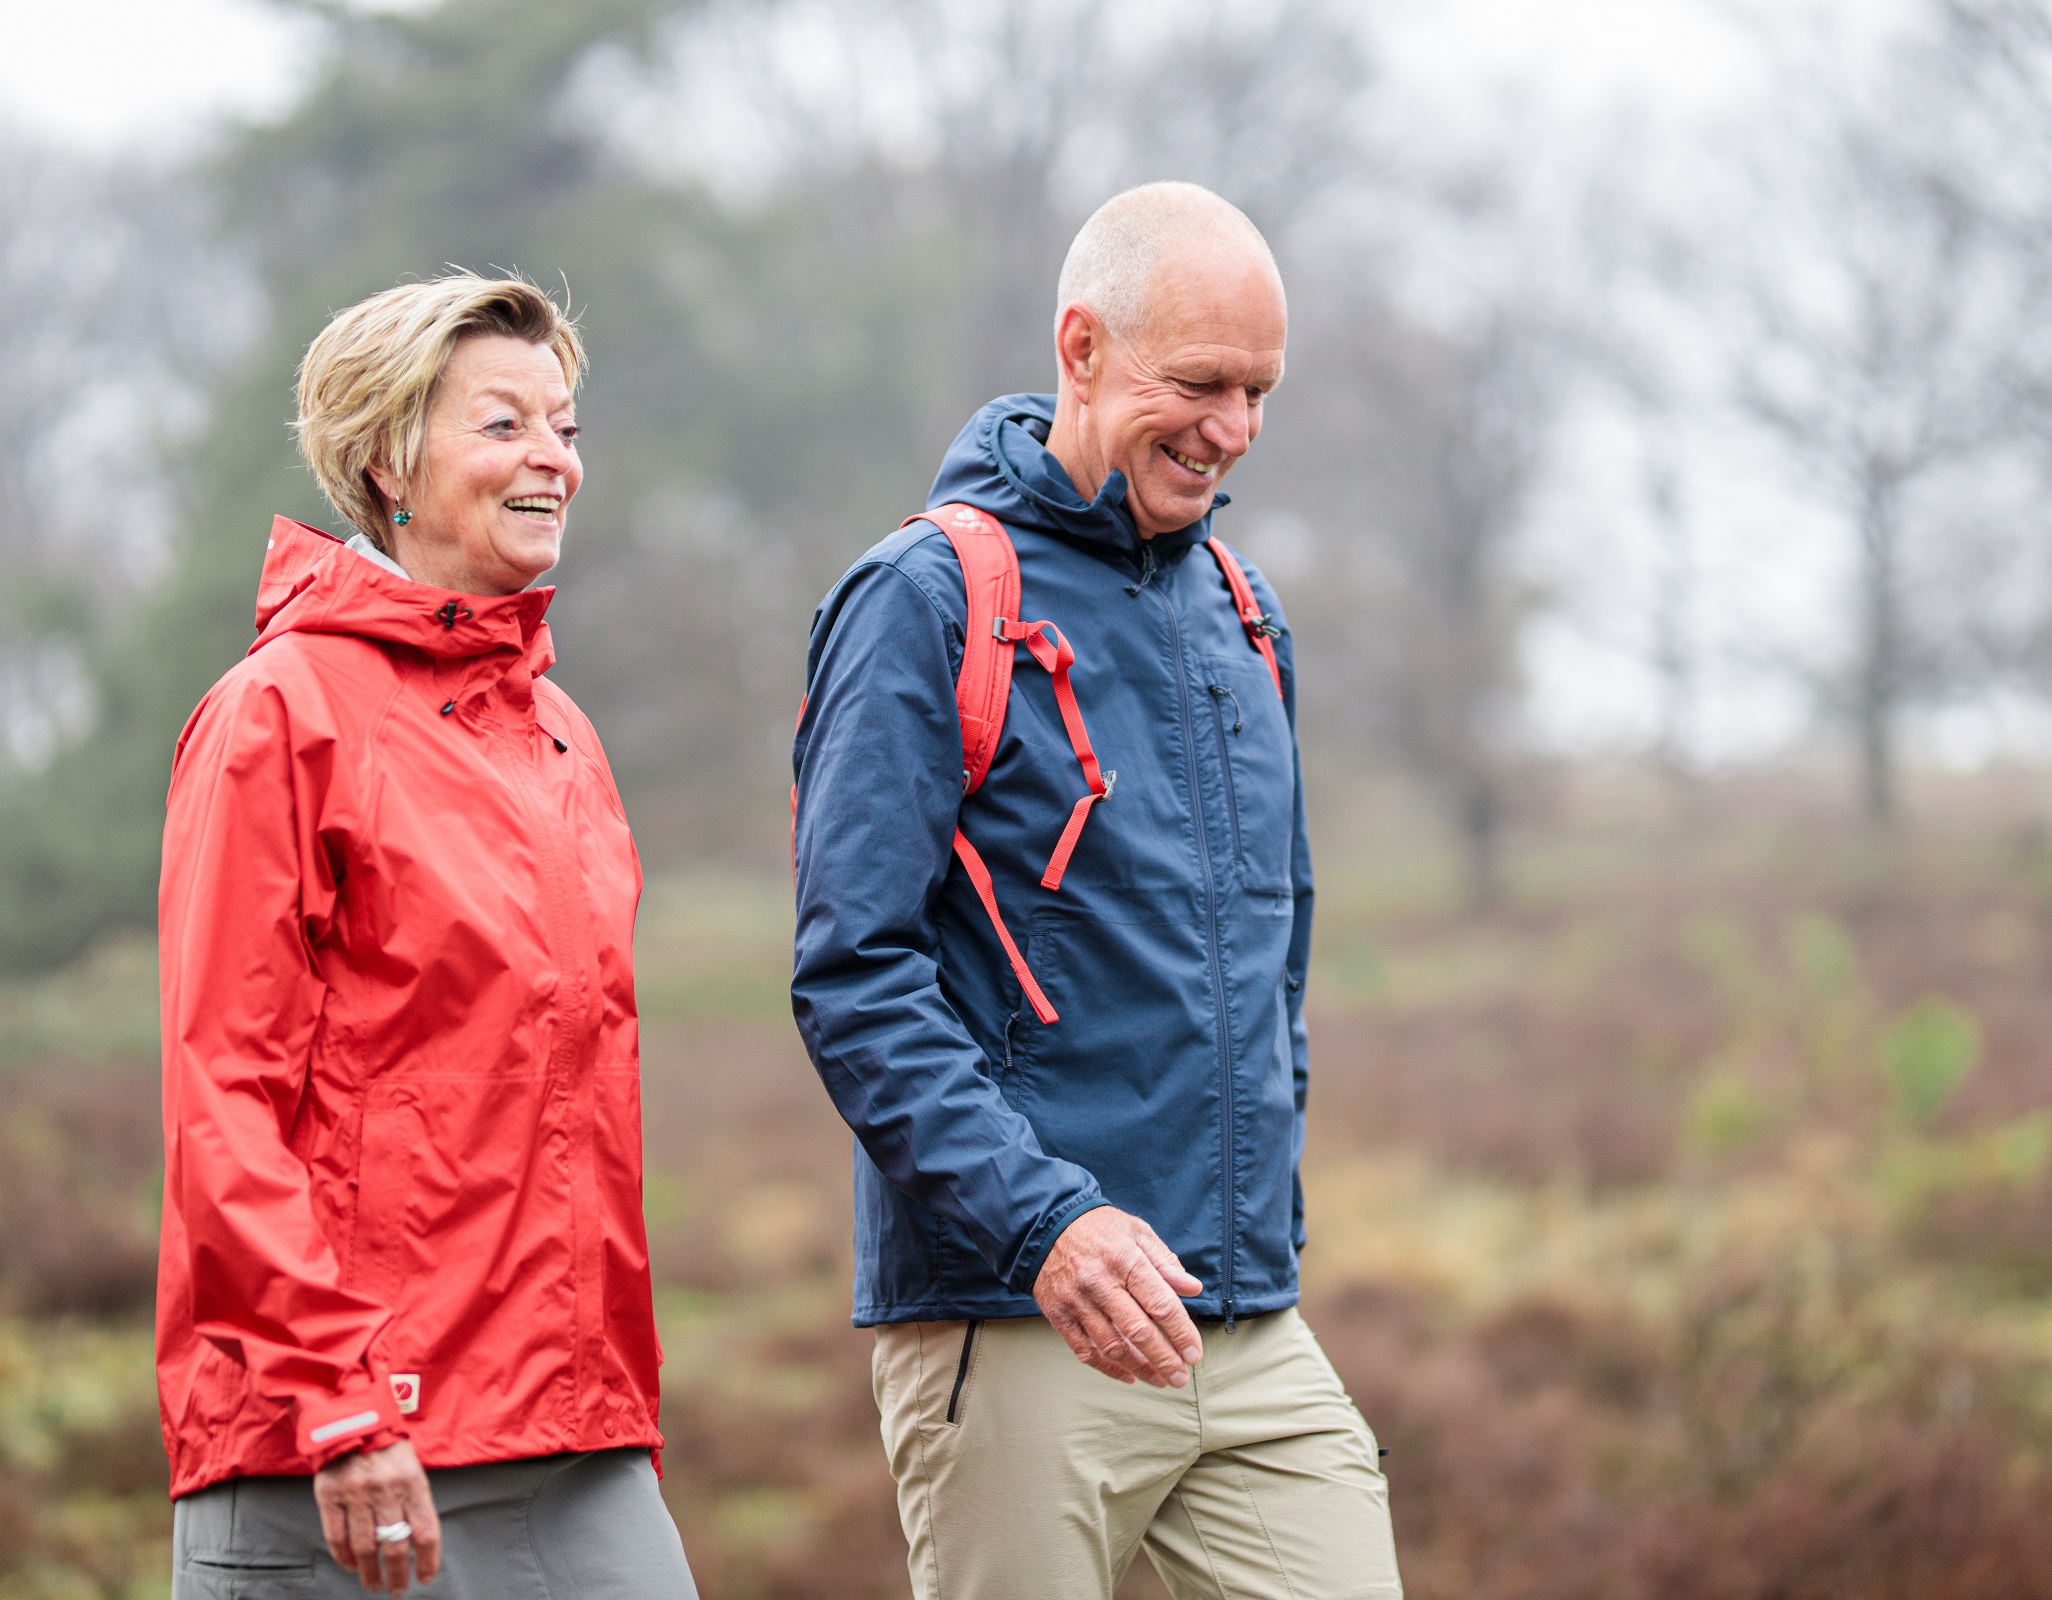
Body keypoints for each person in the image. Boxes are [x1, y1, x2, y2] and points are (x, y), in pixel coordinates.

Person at [791, 183, 1401, 1599]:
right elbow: (854, 977)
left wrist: (1263, 1221)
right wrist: (1042, 1224)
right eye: (1198, 384)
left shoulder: (1246, 610)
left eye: (1259, 392)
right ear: (1081, 348)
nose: (1231, 429)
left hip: (1246, 1324)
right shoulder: (923, 599)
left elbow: (1278, 954)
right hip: (1017, 1316)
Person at [156, 272, 696, 1599]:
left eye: (564, 427)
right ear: (389, 461)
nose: (555, 459)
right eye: (505, 425)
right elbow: (224, 1100)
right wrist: (339, 1402)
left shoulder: (563, 737)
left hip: (576, 1439)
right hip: (335, 1450)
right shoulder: (278, 714)